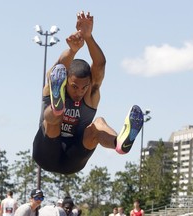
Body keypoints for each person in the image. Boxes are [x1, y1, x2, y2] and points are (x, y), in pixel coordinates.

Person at [33, 11, 144, 175]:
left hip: (73, 159)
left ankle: (119, 144)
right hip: (45, 153)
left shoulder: (89, 95)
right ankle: (57, 107)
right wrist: (72, 50)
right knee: (53, 118)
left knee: (98, 123)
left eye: (84, 87)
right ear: (65, 82)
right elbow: (58, 68)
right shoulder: (55, 83)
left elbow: (100, 65)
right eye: (74, 86)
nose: (80, 91)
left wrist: (88, 37)